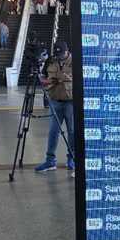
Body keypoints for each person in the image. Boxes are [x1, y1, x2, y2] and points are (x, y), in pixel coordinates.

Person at [35, 40, 74, 173]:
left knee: (72, 131)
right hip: (55, 100)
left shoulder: (76, 61)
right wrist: (45, 81)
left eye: (61, 54)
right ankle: (50, 160)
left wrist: (64, 78)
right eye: (57, 54)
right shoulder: (51, 61)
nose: (59, 56)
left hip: (71, 101)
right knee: (53, 131)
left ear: (67, 51)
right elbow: (43, 77)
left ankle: (72, 158)